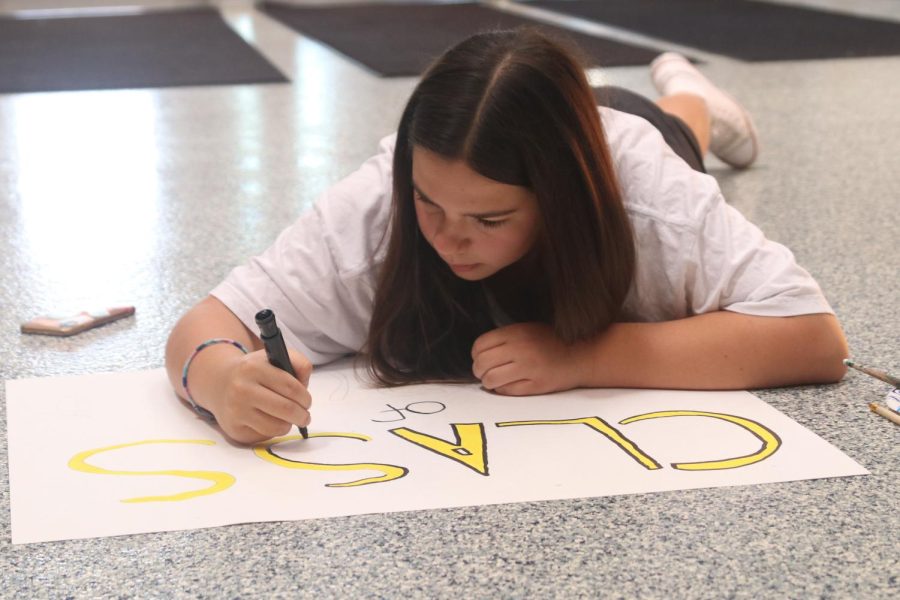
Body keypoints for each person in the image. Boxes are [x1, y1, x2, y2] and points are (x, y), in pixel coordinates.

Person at [165, 29, 847, 444]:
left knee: (680, 133)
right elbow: (207, 321)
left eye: (489, 220)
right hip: (555, 123)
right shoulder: (381, 203)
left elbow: (813, 338)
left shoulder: (648, 197)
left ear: (561, 204)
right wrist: (221, 380)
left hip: (631, 130)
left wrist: (584, 358)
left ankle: (693, 98)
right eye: (428, 202)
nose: (447, 238)